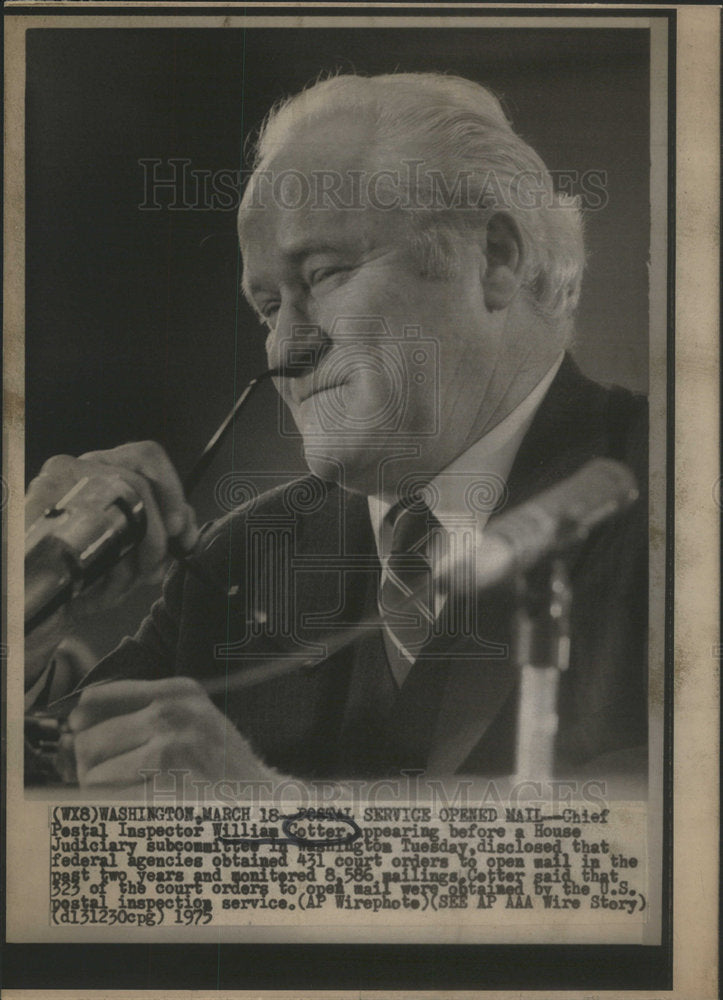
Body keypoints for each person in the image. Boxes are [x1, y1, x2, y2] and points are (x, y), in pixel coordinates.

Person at [25, 73, 648, 790]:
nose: (284, 350)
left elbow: (676, 828)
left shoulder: (682, 491)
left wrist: (285, 820)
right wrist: (25, 619)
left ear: (496, 258)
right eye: (265, 309)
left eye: (321, 274)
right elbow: (47, 811)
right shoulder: (237, 563)